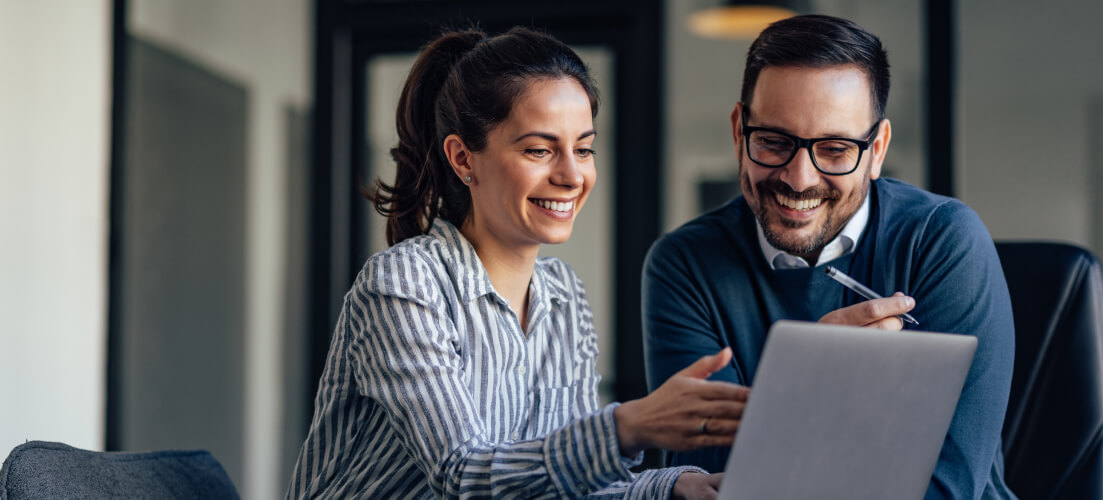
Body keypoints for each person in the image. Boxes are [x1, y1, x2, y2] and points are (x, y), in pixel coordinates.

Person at [287, 27, 749, 499]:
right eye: (539, 150)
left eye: (584, 149)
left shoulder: (564, 294)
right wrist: (629, 426)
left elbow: (564, 484)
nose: (572, 175)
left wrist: (673, 487)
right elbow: (462, 474)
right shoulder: (403, 284)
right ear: (463, 158)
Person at [642, 14, 1017, 500]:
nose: (799, 179)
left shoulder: (944, 242)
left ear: (876, 149)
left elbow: (948, 488)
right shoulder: (684, 264)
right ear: (739, 132)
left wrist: (786, 429)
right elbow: (715, 484)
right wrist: (810, 381)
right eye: (773, 142)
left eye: (835, 149)